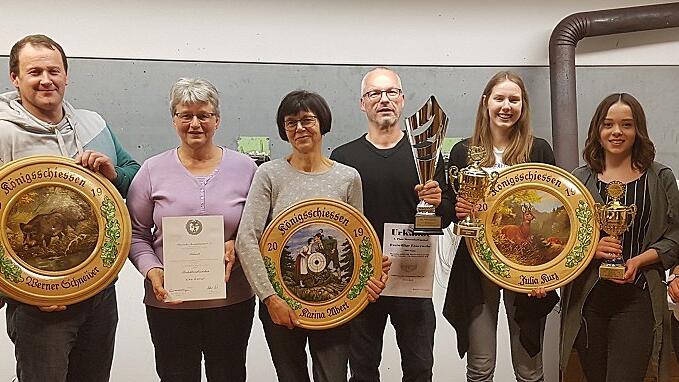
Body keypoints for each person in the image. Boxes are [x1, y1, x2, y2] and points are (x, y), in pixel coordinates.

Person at [0, 34, 140, 382]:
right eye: (34, 72)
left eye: (54, 70)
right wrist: (17, 290)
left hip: (99, 292)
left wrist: (113, 172)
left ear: (66, 75)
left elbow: (135, 176)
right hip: (39, 304)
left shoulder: (94, 125)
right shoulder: (3, 133)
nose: (46, 79)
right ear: (15, 78)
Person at [235, 90, 390, 382]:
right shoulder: (268, 174)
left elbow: (359, 240)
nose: (299, 128)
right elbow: (247, 238)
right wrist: (270, 299)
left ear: (323, 124)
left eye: (307, 120)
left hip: (336, 310)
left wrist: (372, 271)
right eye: (290, 122)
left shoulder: (348, 177)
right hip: (281, 308)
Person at [125, 78, 256, 381]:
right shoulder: (151, 170)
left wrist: (236, 244)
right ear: (174, 120)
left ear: (217, 120)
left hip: (231, 301)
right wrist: (152, 270)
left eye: (204, 115)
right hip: (168, 303)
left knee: (229, 374)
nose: (195, 123)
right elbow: (136, 234)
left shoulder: (246, 168)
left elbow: (259, 229)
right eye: (186, 115)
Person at [330, 67, 454, 382]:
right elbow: (334, 221)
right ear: (362, 103)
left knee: (419, 368)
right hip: (362, 280)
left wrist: (439, 202)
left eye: (390, 93)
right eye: (374, 93)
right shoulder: (343, 157)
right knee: (362, 369)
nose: (383, 99)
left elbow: (449, 214)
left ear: (401, 100)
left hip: (413, 278)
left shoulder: (428, 155)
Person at [442, 71, 557, 382]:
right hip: (476, 267)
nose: (506, 106)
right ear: (485, 103)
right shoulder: (462, 152)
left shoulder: (539, 150)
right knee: (480, 368)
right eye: (499, 98)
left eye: (514, 99)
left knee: (529, 370)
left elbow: (557, 210)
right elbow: (449, 208)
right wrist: (457, 208)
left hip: (527, 270)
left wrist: (548, 271)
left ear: (523, 106)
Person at [560, 93, 679, 381]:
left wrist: (639, 260)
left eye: (626, 125)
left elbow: (676, 236)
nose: (616, 132)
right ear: (597, 130)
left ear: (638, 130)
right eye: (608, 124)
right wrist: (591, 247)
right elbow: (562, 239)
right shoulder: (578, 180)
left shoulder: (660, 177)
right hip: (589, 301)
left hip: (638, 299)